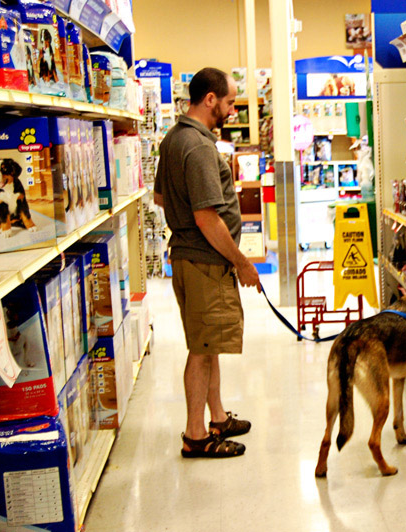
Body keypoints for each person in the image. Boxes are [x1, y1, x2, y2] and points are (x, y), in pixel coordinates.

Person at [154, 67, 261, 458]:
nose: (233, 110)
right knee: (201, 350)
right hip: (203, 261)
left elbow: (162, 198)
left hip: (189, 257)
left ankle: (216, 416)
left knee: (208, 341)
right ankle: (196, 435)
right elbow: (206, 217)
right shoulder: (198, 147)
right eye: (231, 102)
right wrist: (242, 262)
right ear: (211, 99)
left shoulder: (173, 139)